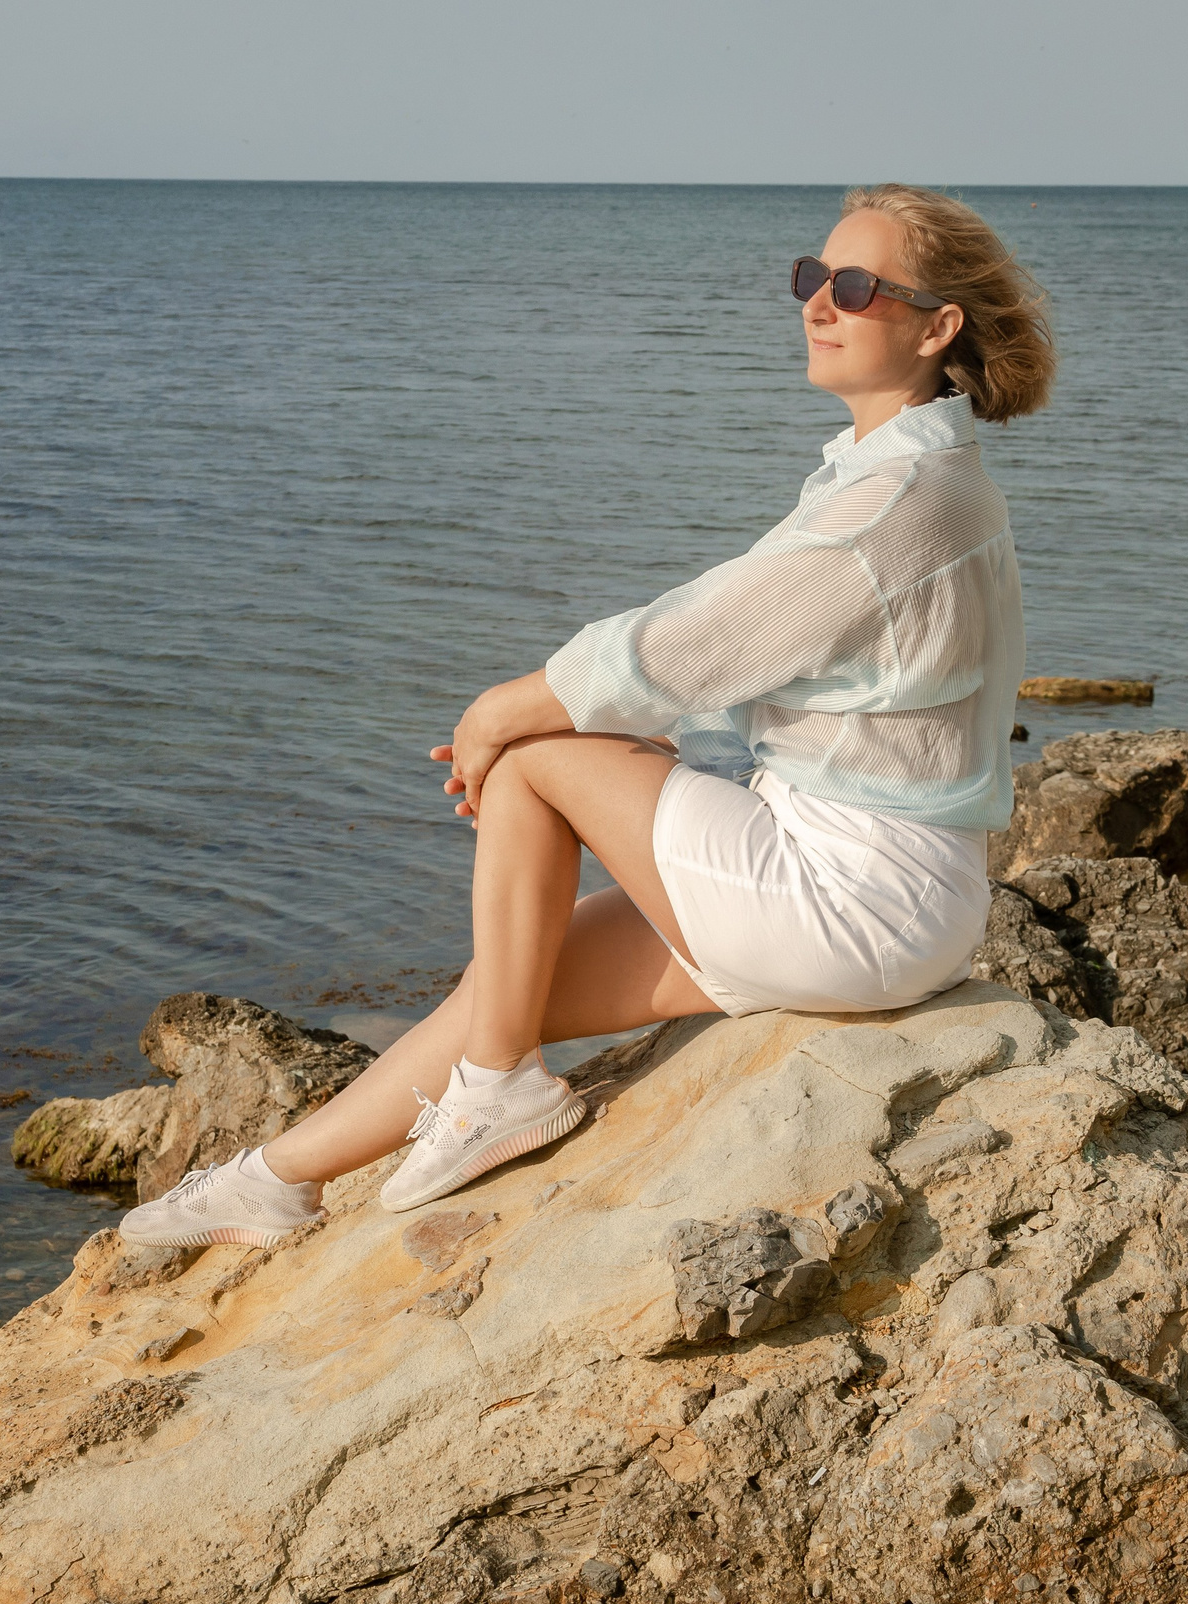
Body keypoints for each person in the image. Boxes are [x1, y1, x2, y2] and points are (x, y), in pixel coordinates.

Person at [120, 183, 1054, 1250]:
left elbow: (689, 642)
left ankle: (498, 1096)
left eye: (852, 285)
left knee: (530, 760)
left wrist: (502, 711)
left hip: (848, 897)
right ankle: (272, 1183)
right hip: (876, 890)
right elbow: (826, 685)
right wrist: (674, 745)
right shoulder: (910, 478)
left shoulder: (895, 503)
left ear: (936, 328)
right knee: (514, 980)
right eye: (811, 278)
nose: (816, 303)